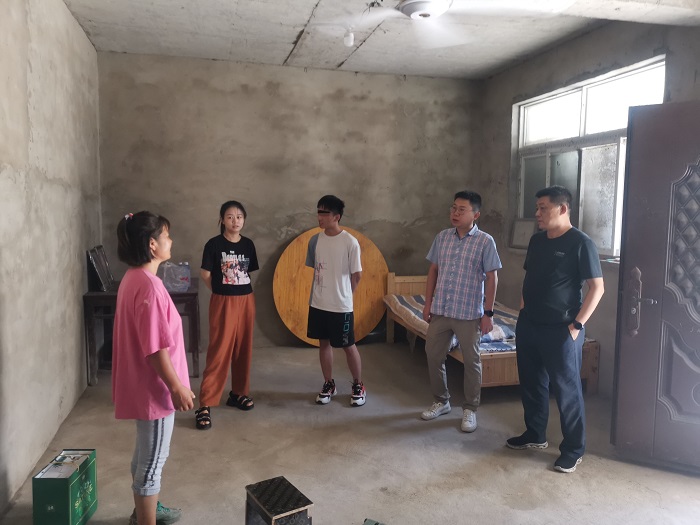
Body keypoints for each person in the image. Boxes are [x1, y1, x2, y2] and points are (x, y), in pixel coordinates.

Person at [506, 185, 604, 474]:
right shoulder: (537, 241)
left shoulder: (581, 243)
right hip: (529, 324)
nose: (537, 213)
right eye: (537, 207)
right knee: (532, 383)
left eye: (543, 208)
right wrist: (522, 313)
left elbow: (597, 288)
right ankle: (535, 434)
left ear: (562, 209)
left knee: (566, 390)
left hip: (561, 330)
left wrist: (577, 326)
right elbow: (529, 279)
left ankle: (573, 449)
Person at [112, 211, 195, 525]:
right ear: (152, 244)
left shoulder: (133, 278)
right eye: (166, 236)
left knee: (143, 455)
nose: (170, 241)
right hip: (155, 391)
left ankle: (145, 510)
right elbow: (155, 348)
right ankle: (145, 519)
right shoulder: (150, 287)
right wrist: (176, 387)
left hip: (142, 385)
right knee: (152, 463)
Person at [420, 191, 502, 433]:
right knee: (433, 354)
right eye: (453, 208)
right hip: (442, 309)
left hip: (469, 313)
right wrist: (427, 303)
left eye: (461, 209)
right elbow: (433, 270)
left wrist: (488, 313)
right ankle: (441, 401)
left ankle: (470, 408)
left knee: (472, 361)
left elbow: (492, 278)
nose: (455, 213)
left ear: (475, 215)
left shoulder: (485, 241)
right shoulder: (442, 237)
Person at [195, 200, 259, 430]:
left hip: (246, 301)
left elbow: (249, 273)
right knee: (219, 351)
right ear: (222, 219)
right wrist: (220, 291)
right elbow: (205, 274)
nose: (235, 221)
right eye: (230, 217)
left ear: (244, 220)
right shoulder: (214, 244)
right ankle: (205, 403)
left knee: (243, 348)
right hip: (223, 302)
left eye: (239, 217)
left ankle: (238, 393)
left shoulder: (248, 244)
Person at [306, 195, 365, 406]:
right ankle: (328, 383)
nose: (319, 217)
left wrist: (347, 296)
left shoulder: (350, 242)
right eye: (318, 212)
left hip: (341, 306)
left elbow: (357, 275)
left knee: (348, 345)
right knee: (323, 344)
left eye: (324, 213)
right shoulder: (315, 240)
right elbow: (317, 270)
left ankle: (358, 385)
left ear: (336, 216)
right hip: (318, 303)